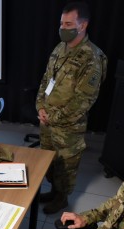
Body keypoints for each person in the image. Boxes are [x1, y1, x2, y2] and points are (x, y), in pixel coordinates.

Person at [35, 1, 108, 214]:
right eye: (61, 23)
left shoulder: (92, 57)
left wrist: (53, 117)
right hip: (47, 121)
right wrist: (40, 106)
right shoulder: (60, 48)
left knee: (65, 167)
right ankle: (53, 191)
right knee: (49, 162)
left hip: (68, 127)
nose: (63, 29)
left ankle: (61, 198)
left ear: (83, 25)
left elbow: (84, 100)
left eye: (68, 24)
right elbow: (46, 80)